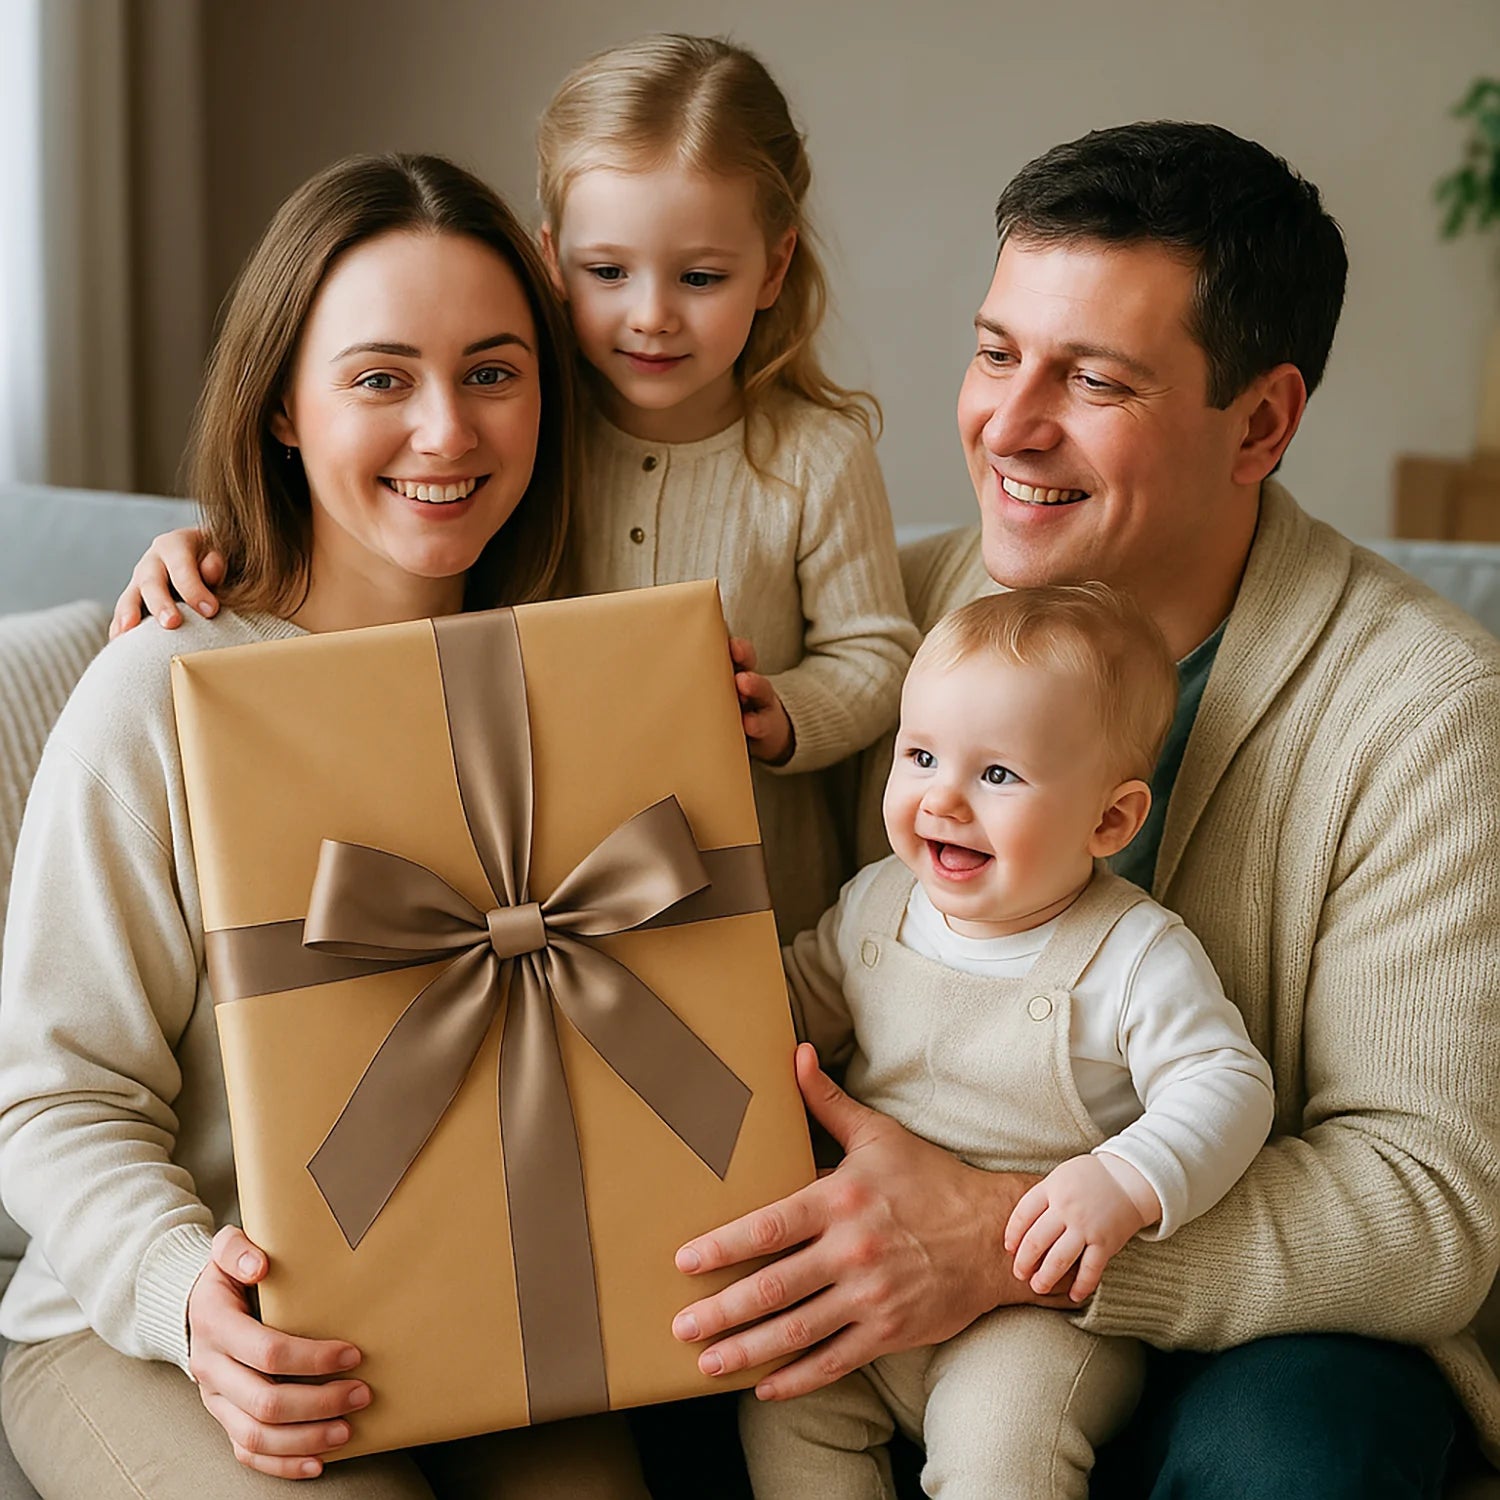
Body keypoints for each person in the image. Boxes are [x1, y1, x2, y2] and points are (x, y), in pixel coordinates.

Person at [667, 124, 1500, 1496]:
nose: (1009, 421)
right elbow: (536, 576)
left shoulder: (1425, 707)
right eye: (997, 352)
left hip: (1255, 1323)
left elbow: (1431, 1205)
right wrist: (230, 572)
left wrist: (1009, 1239)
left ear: (1264, 424)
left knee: (1302, 1452)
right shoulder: (880, 626)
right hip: (880, 1274)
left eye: (1093, 379)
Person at [0, 153, 649, 1498]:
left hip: (487, 1308)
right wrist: (189, 1298)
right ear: (283, 409)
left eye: (492, 371)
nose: (446, 433)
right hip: (151, 1332)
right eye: (379, 377)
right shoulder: (161, 688)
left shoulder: (582, 687)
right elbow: (55, 1097)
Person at [109, 32, 920, 945]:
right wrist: (208, 545)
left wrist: (782, 714)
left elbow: (881, 655)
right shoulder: (536, 426)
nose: (650, 314)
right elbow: (352, 544)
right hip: (542, 874)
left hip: (754, 886)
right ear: (552, 262)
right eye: (608, 273)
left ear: (773, 266)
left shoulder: (807, 454)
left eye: (699, 277)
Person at [740, 584, 1274, 1499]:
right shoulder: (875, 903)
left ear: (1110, 821)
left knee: (1001, 1450)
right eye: (920, 755)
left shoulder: (1133, 955)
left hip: (1034, 1318)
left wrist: (1127, 1179)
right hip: (865, 1269)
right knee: (784, 1403)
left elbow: (1227, 1082)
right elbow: (788, 1011)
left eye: (997, 776)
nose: (943, 798)